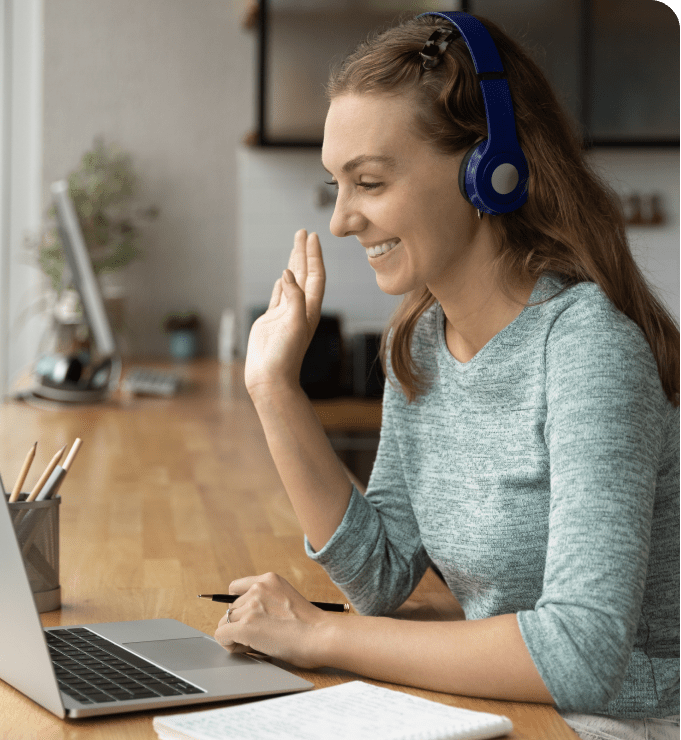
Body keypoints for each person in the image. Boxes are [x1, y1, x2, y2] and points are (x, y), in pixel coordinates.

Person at [213, 11, 680, 740]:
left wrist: (317, 636)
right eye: (337, 185)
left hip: (620, 722)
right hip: (506, 712)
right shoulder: (422, 342)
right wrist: (273, 390)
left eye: (367, 182)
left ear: (487, 170)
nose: (341, 221)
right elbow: (382, 574)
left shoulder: (587, 350)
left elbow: (582, 653)